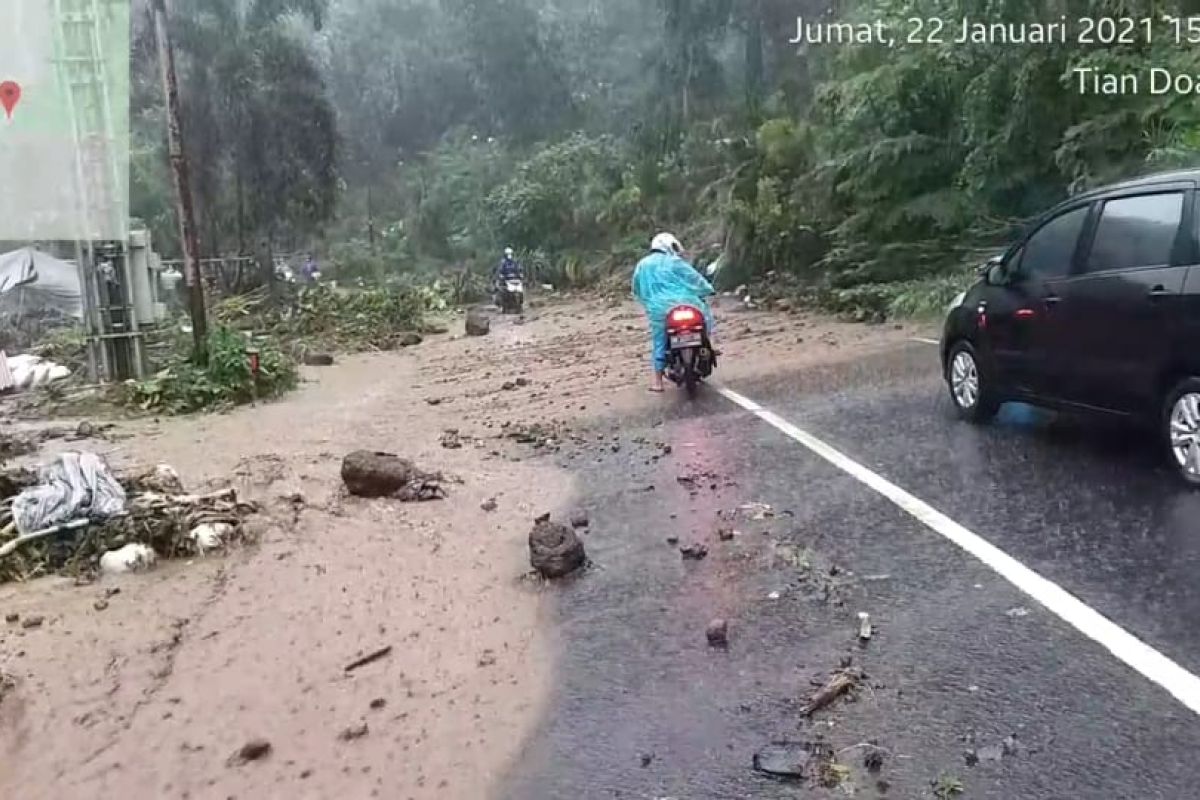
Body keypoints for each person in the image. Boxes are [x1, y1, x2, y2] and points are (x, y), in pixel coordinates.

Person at [632, 232, 715, 393]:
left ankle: (658, 382)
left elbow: (636, 289)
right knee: (706, 318)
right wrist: (708, 290)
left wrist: (648, 302)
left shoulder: (642, 265)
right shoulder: (674, 262)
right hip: (687, 303)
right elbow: (695, 279)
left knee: (659, 341)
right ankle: (708, 345)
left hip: (658, 309)